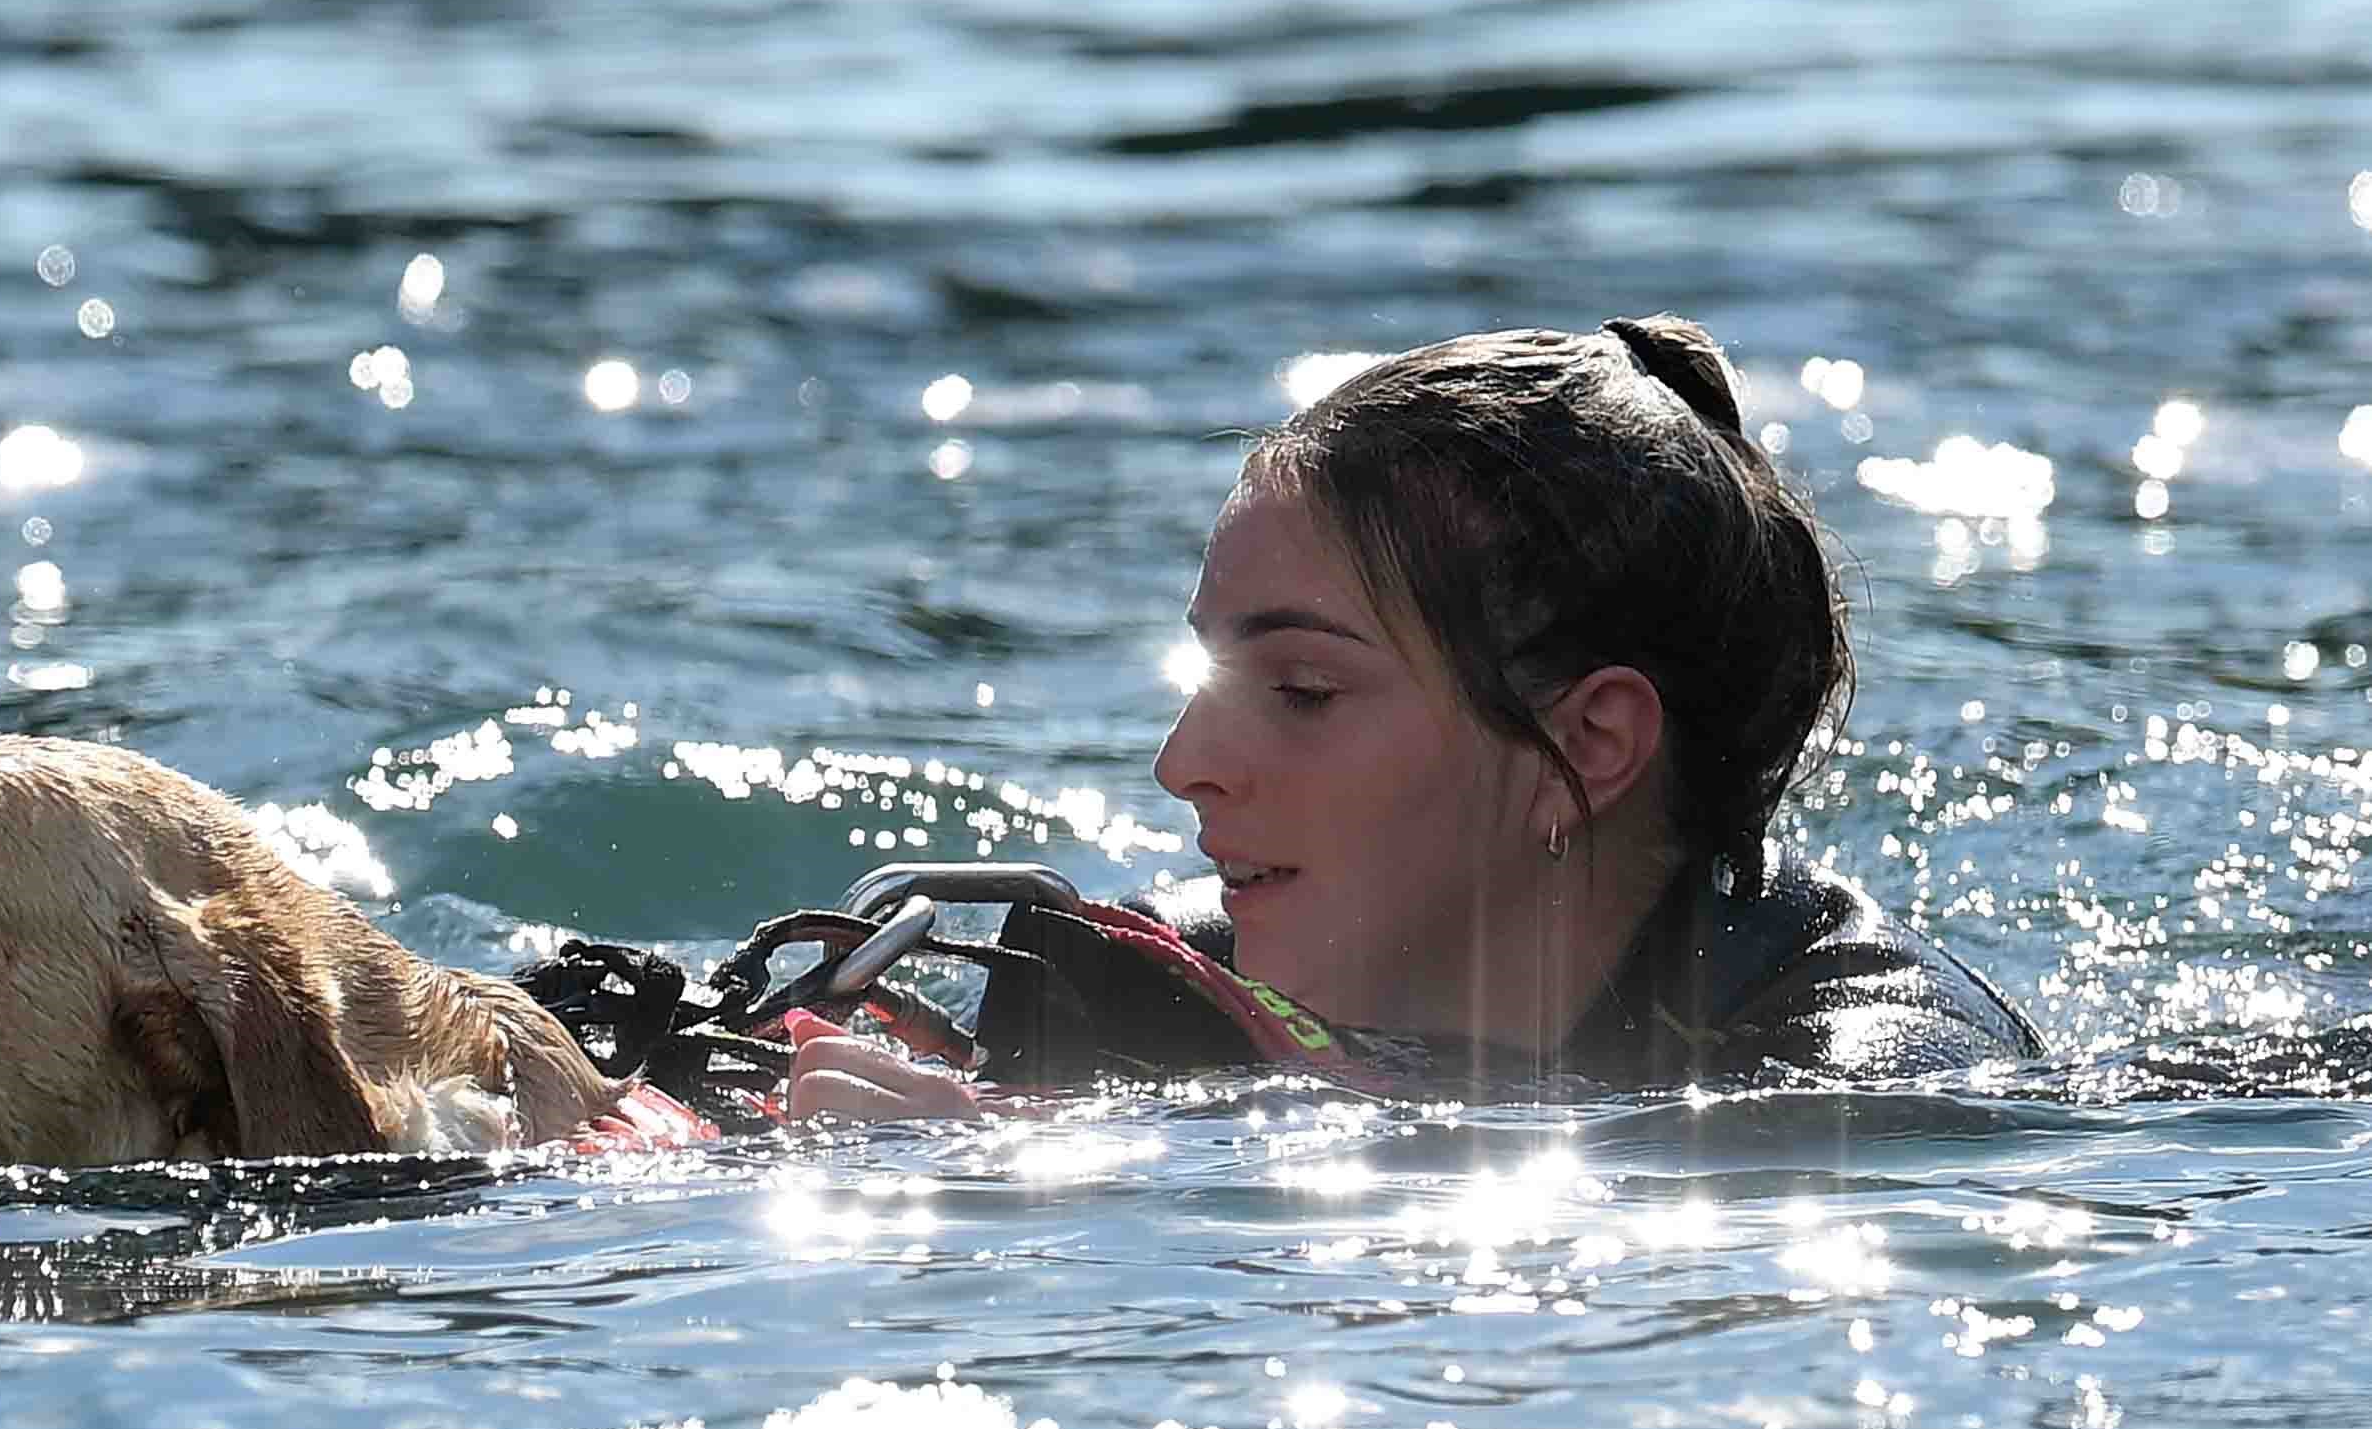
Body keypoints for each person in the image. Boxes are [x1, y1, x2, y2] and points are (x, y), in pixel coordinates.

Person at [788, 316, 2041, 1120]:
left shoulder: (1875, 1088)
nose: (1182, 764)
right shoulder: (1141, 989)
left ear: (1586, 747)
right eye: (1206, 679)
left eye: (1302, 691)